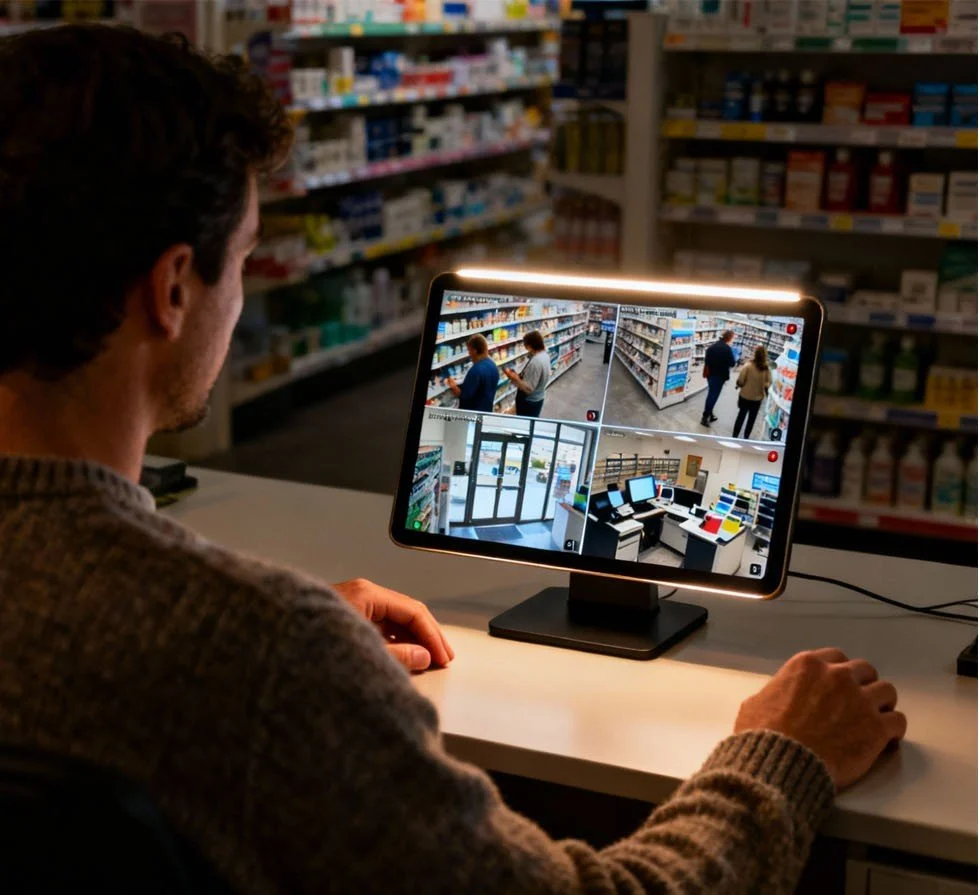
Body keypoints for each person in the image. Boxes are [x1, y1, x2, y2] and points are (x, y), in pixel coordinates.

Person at [0, 24, 907, 895]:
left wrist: (292, 637)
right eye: (240, 260)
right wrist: (784, 752)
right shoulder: (260, 651)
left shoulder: (243, 639)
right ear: (171, 288)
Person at [446, 333, 499, 412]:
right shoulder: (493, 365)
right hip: (487, 409)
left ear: (475, 351)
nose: (469, 353)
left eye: (469, 350)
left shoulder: (475, 371)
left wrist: (453, 386)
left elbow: (464, 396)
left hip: (473, 413)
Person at [504, 330, 551, 417]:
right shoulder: (545, 355)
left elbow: (528, 389)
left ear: (529, 346)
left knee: (524, 423)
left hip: (529, 403)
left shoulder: (536, 362)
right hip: (538, 398)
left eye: (525, 345)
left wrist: (514, 378)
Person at [733, 345, 773, 439]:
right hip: (757, 399)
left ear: (755, 354)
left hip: (745, 396)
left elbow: (741, 380)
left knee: (741, 416)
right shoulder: (766, 369)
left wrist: (738, 385)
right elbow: (768, 384)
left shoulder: (748, 366)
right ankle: (746, 437)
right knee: (751, 419)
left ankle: (735, 435)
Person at [701, 329, 737, 427]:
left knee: (711, 394)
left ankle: (710, 414)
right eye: (733, 338)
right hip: (719, 376)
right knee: (713, 396)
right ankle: (705, 417)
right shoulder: (727, 349)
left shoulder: (712, 347)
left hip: (710, 374)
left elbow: (707, 361)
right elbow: (732, 363)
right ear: (729, 338)